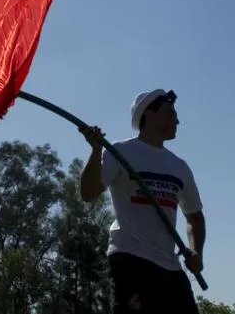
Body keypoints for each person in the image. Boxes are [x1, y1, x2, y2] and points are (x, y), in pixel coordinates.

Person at [79, 89, 205, 314]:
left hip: (169, 265)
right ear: (148, 115)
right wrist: (96, 151)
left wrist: (196, 253)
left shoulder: (180, 166)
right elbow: (88, 193)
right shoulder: (120, 152)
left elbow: (194, 216)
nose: (177, 119)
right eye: (170, 113)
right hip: (130, 259)